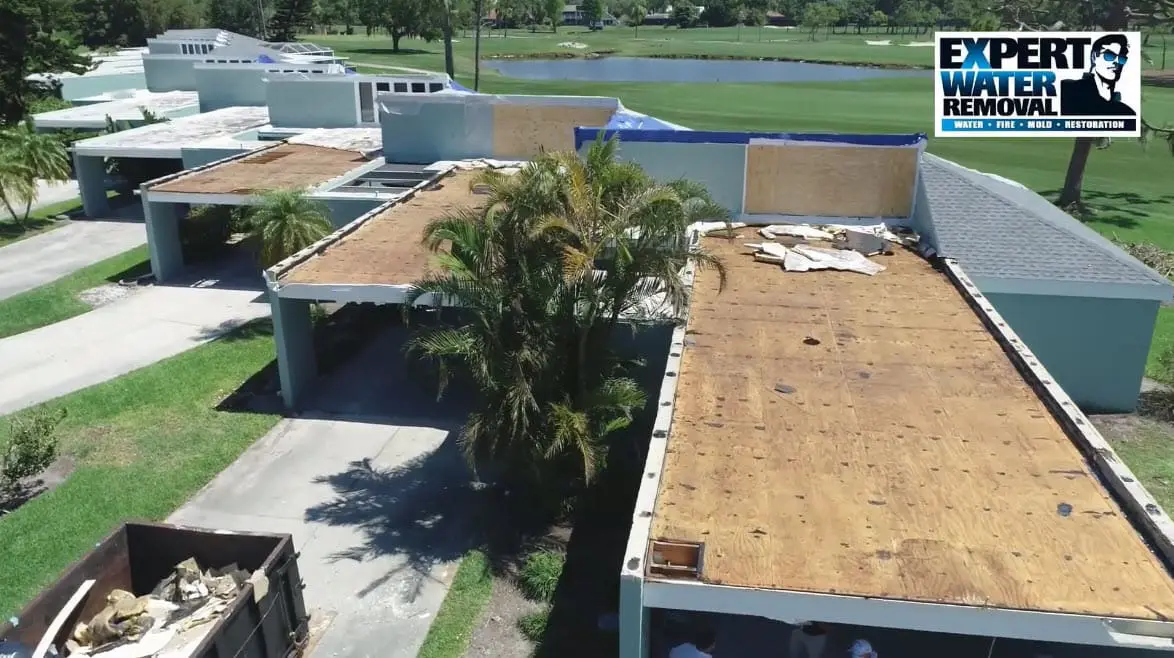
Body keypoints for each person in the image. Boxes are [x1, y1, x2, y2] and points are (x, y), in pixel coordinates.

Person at [1059, 33, 1137, 116]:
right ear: (1094, 57)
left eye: (1122, 59)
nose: (1117, 62)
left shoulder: (1126, 112)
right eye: (1109, 55)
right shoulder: (1068, 89)